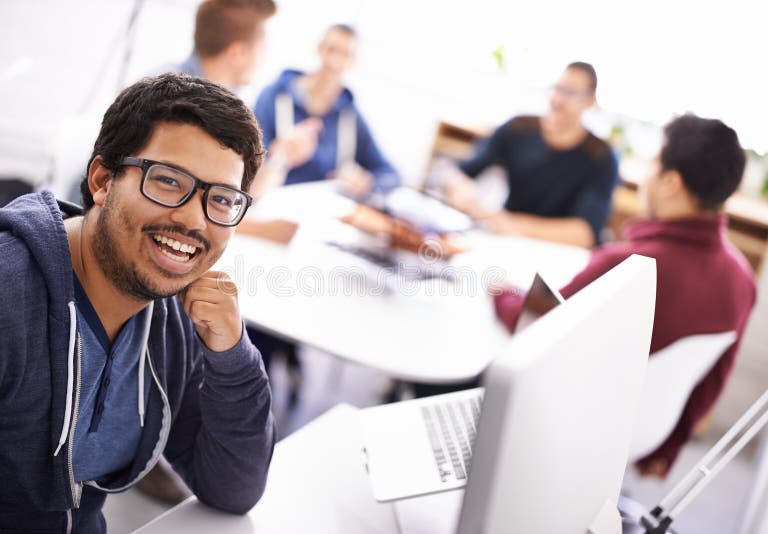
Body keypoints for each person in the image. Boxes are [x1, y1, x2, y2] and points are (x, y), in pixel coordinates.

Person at [0, 73, 275, 532]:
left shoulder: (175, 318)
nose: (194, 219)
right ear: (102, 180)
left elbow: (232, 489)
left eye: (223, 199)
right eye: (169, 181)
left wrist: (232, 356)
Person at [493, 114, 756, 477]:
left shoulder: (629, 263)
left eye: (652, 164)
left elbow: (535, 327)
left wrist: (500, 292)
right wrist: (667, 449)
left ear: (670, 182)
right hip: (643, 434)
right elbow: (713, 378)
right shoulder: (743, 279)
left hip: (565, 424)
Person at [443, 62, 618, 248]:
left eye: (570, 92)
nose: (557, 100)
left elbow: (584, 234)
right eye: (556, 88)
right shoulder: (518, 128)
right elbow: (459, 173)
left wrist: (509, 222)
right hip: (505, 244)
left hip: (558, 255)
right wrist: (463, 193)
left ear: (590, 101)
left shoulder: (601, 157)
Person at [171, 0, 321, 202]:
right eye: (262, 48)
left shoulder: (232, 102)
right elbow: (187, 200)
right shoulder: (169, 101)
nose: (263, 59)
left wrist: (281, 156)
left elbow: (240, 188)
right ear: (238, 53)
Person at [252, 23, 401, 198]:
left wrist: (366, 182)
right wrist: (279, 155)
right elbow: (247, 165)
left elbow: (391, 174)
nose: (335, 62)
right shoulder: (273, 97)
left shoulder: (350, 117)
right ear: (319, 49)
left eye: (345, 55)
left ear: (353, 62)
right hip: (268, 201)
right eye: (331, 50)